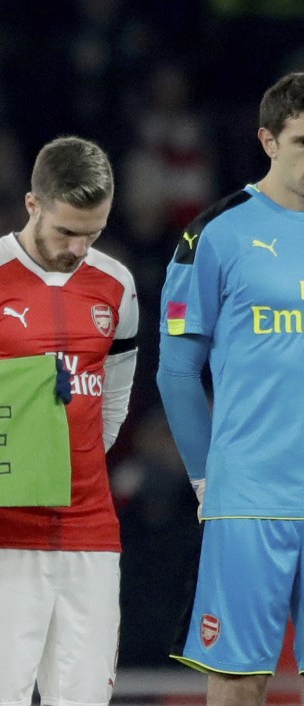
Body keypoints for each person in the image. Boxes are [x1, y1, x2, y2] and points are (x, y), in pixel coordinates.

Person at [0, 136, 139, 706]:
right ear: (32, 204)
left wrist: (66, 462)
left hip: (91, 535)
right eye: (67, 231)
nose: (80, 246)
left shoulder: (117, 287)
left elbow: (110, 412)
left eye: (94, 230)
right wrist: (25, 423)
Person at [157, 71, 304, 706]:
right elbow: (177, 370)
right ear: (267, 141)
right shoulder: (216, 233)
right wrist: (203, 477)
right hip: (250, 495)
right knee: (241, 680)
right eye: (303, 142)